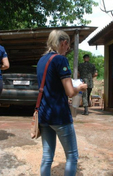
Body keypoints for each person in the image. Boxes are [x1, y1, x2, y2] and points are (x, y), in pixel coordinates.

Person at [37, 30, 87, 176]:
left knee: (47, 157)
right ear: (63, 43)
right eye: (68, 46)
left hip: (44, 115)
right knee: (72, 156)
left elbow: (50, 85)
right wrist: (80, 88)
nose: (67, 50)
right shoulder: (60, 60)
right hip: (59, 115)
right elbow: (70, 92)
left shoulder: (41, 61)